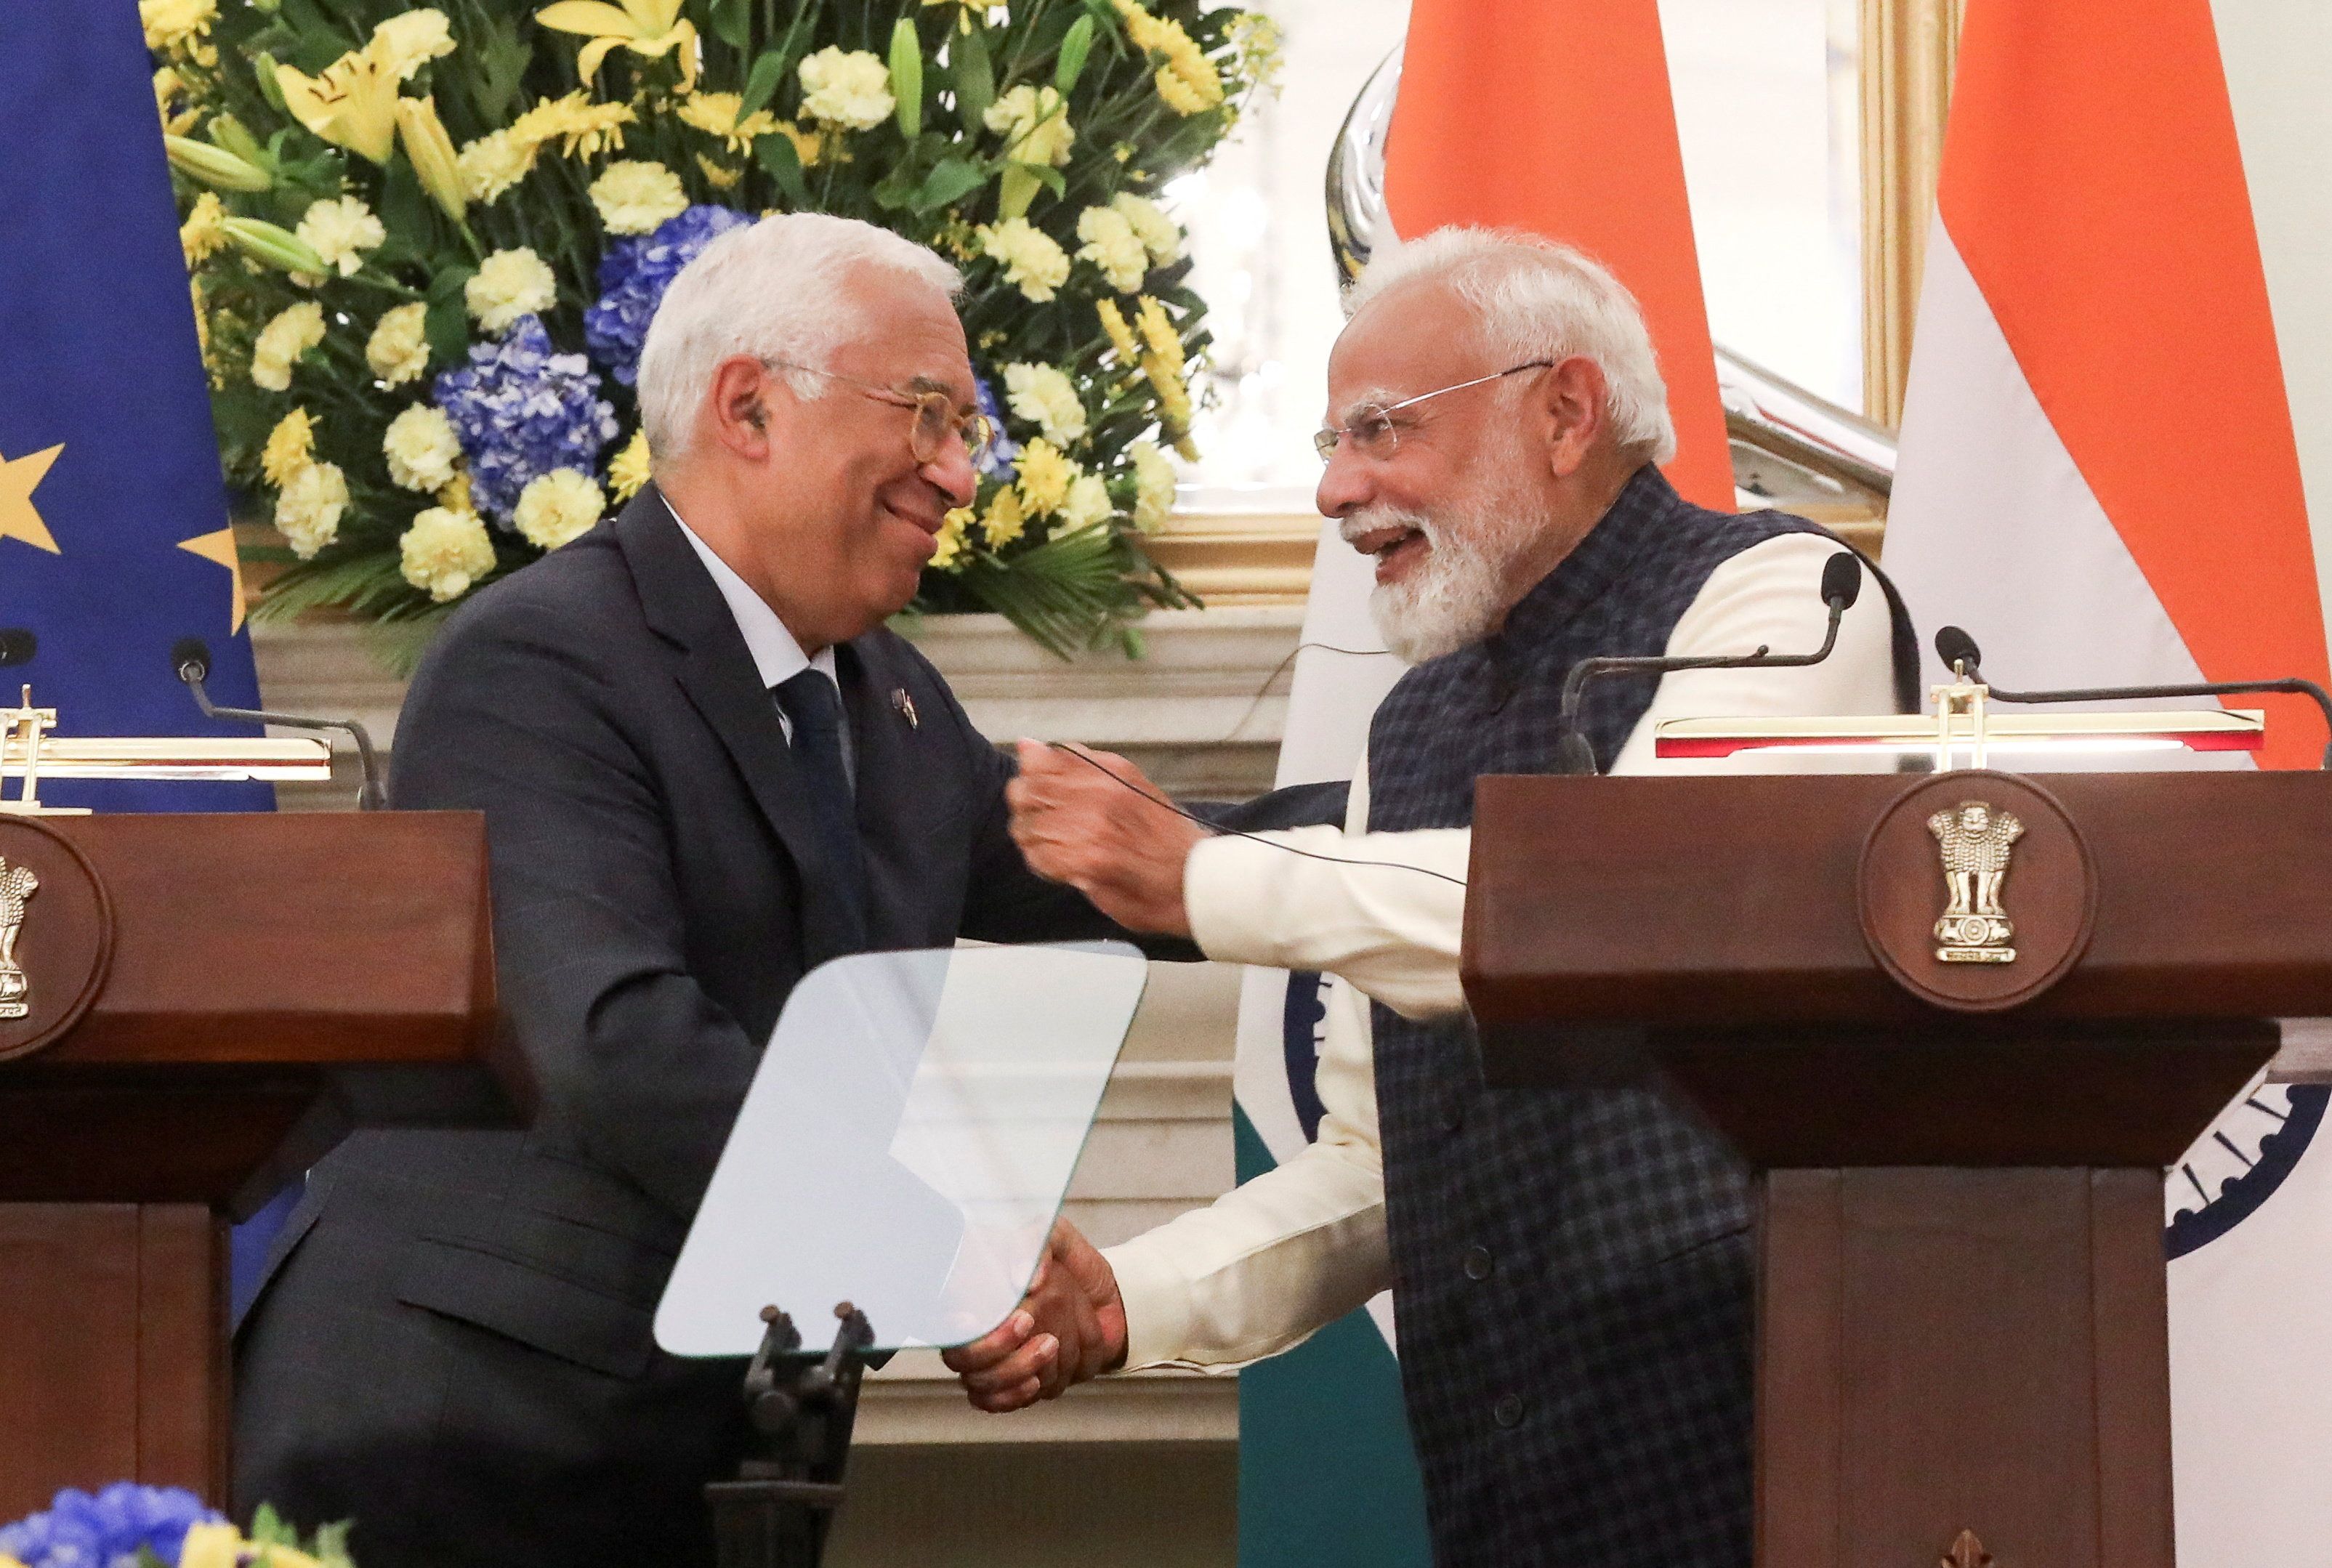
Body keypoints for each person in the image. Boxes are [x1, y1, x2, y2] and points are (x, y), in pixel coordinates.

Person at [231, 213, 1313, 1568]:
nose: (959, 474)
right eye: (927, 414)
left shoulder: (888, 703)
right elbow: (617, 1045)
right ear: (748, 405)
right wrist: (951, 1243)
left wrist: (1433, 843)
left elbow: (1140, 862)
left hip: (700, 1451)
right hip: (457, 1437)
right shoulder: (538, 660)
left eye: (965, 428)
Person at [945, 228, 1916, 1567]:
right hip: (1510, 1491)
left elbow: (1615, 906)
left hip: (1769, 1470)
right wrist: (1131, 1299)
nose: (1340, 491)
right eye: (1331, 442)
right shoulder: (1413, 724)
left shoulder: (1786, 601)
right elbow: (1386, 1169)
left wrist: (1200, 875)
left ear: (1565, 409)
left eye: (1382, 429)